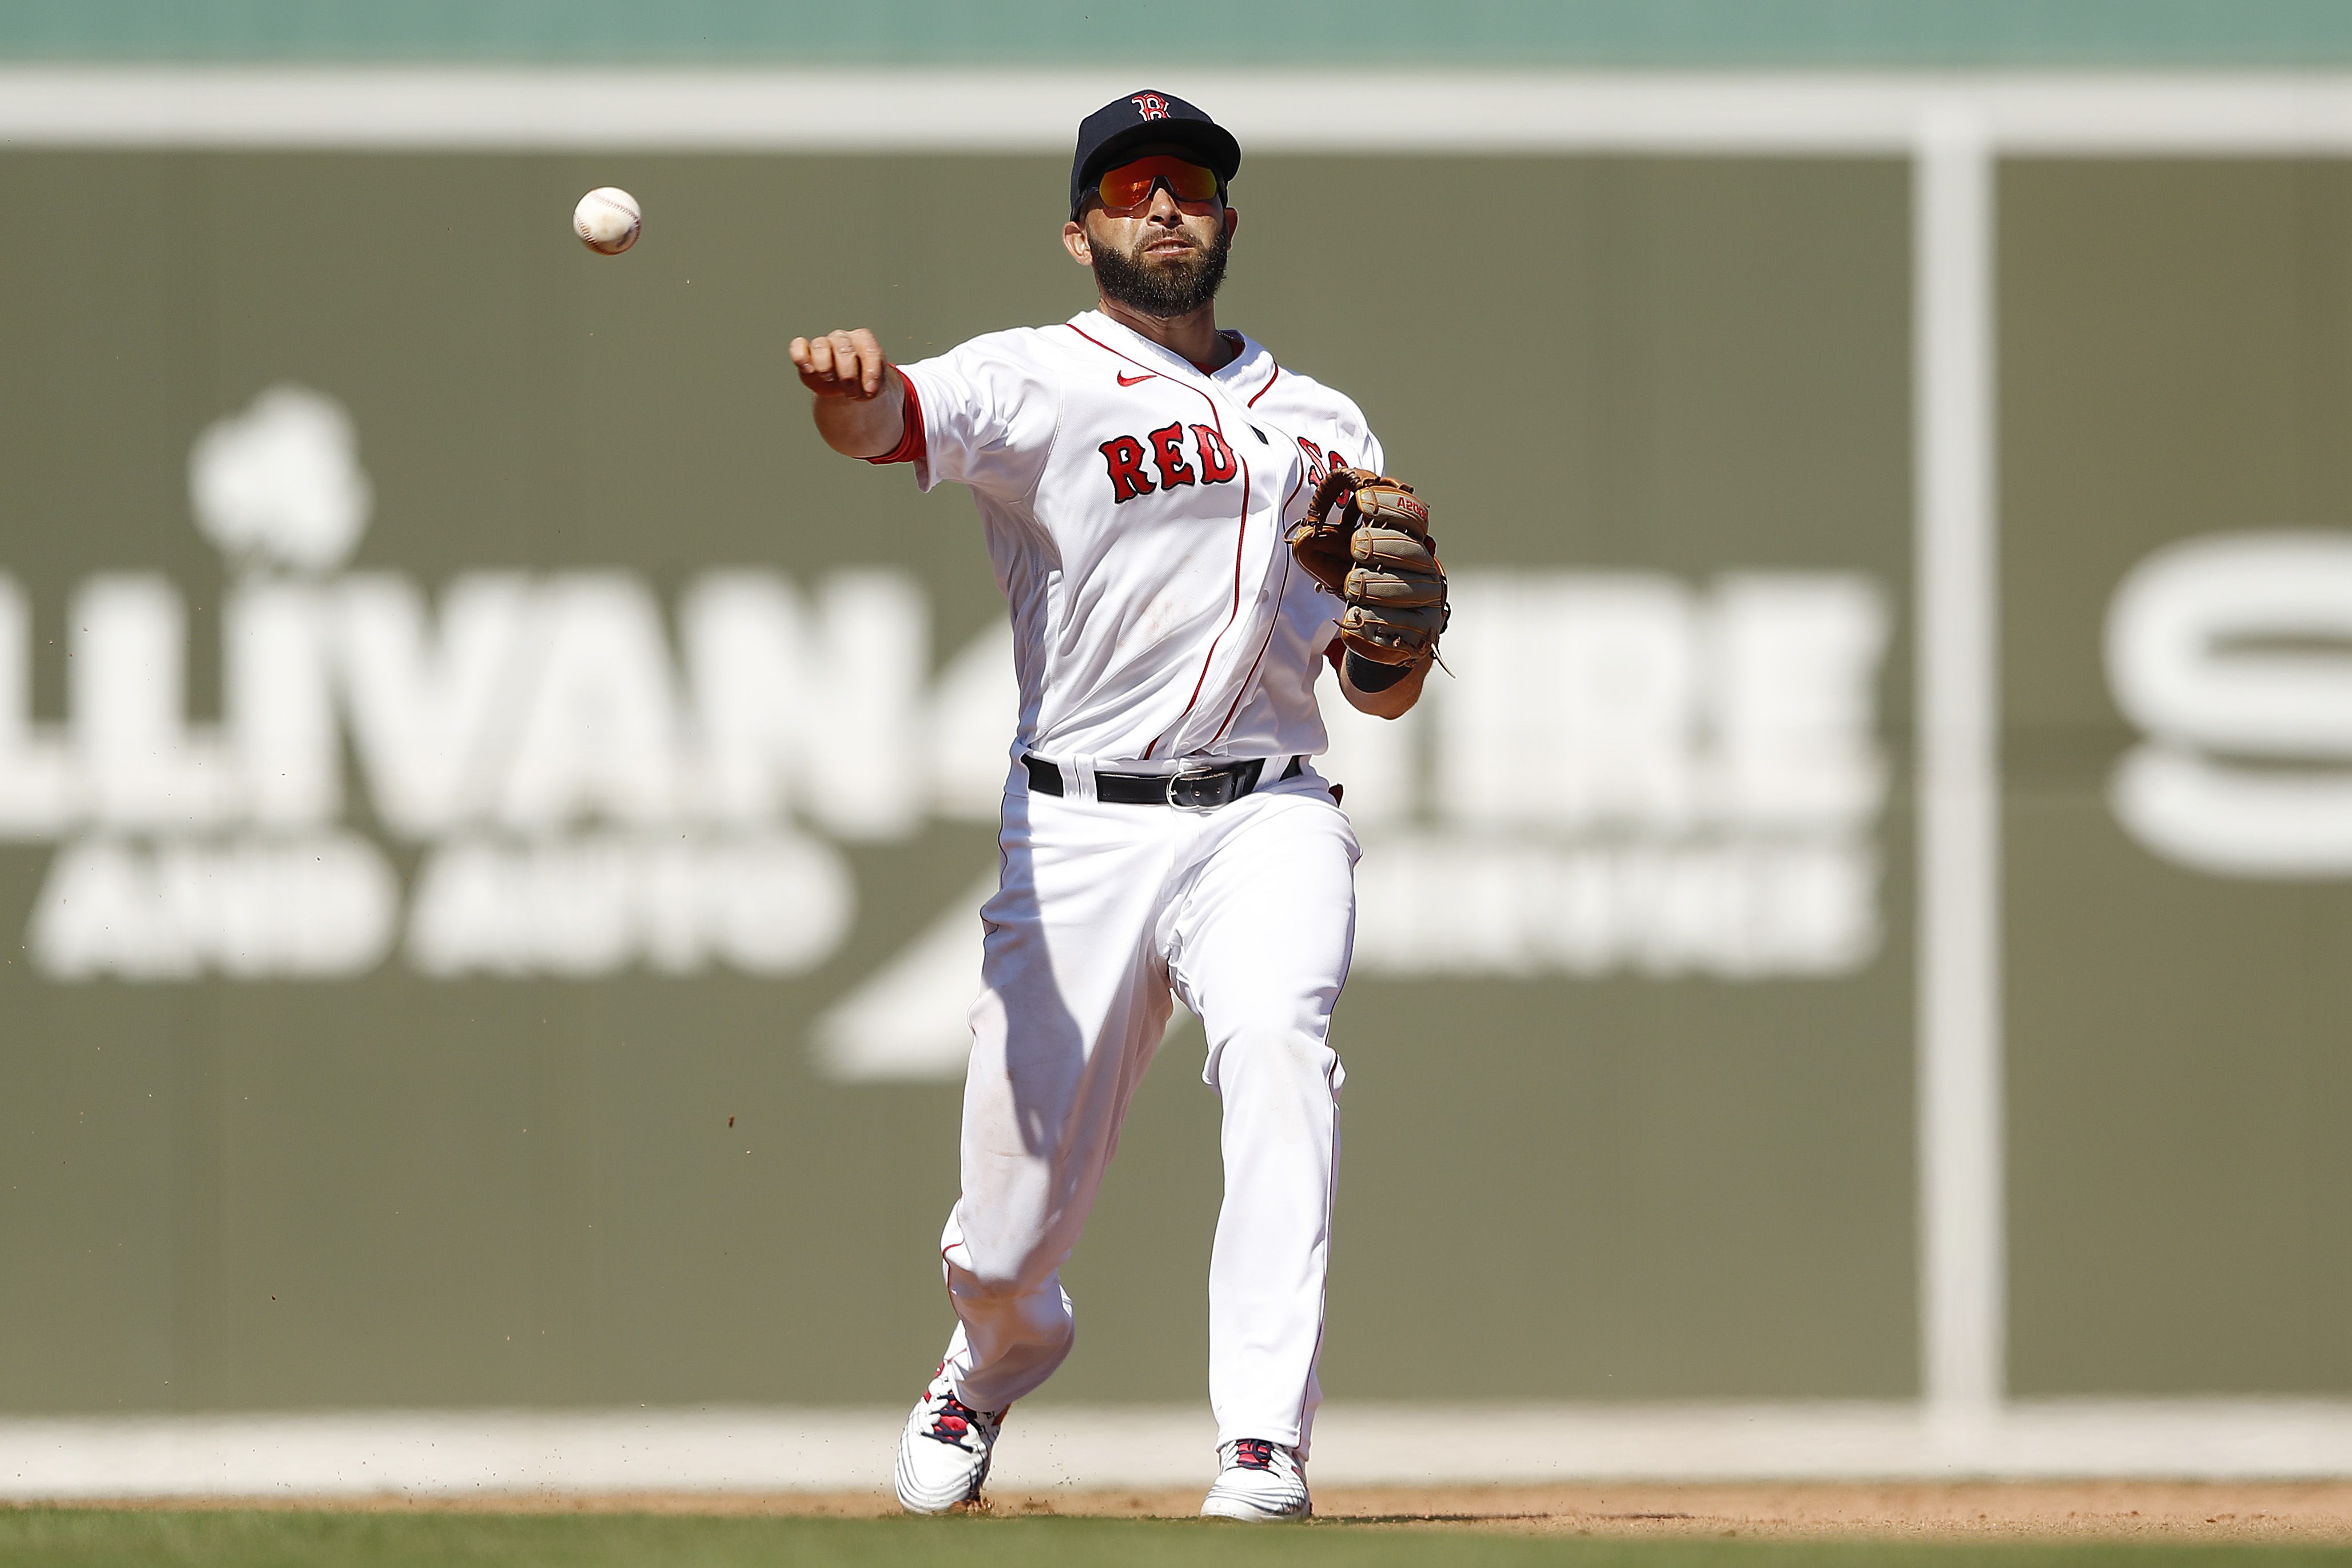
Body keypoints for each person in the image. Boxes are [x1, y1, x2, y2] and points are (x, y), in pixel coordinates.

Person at [788, 89, 1431, 1523]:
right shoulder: (1036, 378)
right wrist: (848, 389)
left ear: (1224, 219)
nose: (1160, 205)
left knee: (1277, 1043)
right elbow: (890, 419)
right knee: (1008, 1233)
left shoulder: (1324, 421)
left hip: (1265, 810)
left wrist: (1389, 657)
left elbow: (1372, 682)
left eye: (1187, 186)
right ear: (1078, 228)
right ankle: (991, 1353)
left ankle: (1261, 1442)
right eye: (1129, 186)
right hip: (1075, 825)